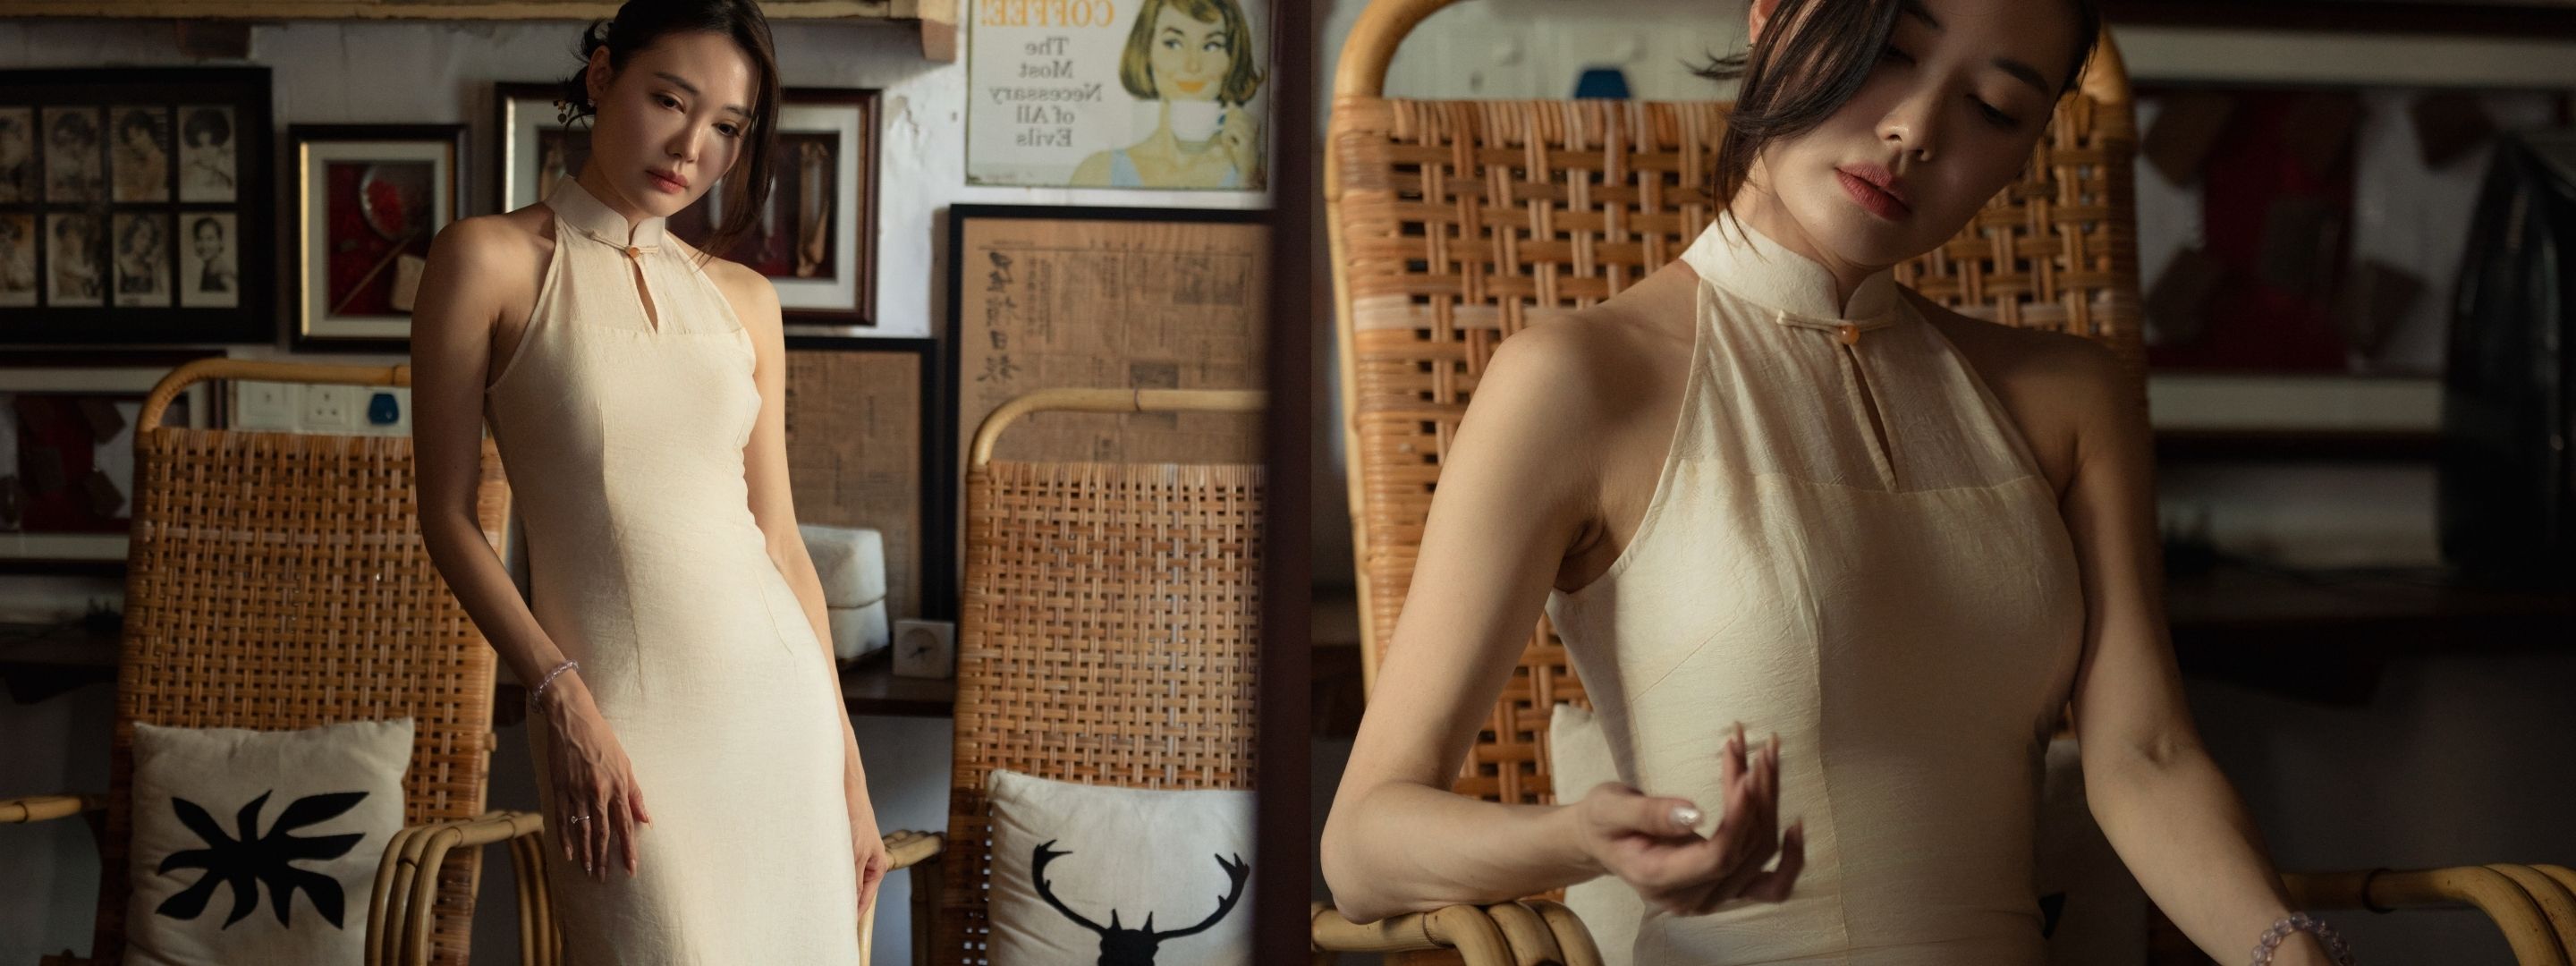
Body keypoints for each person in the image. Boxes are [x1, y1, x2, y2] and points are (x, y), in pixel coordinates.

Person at [1318, 1, 2351, 963]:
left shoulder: (2071, 400)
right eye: (1891, 51)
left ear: (2025, 154)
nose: (1915, 130)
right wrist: (1580, 840)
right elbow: (1362, 846)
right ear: (1773, 15)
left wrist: (2286, 948)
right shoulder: (1579, 381)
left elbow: (2148, 758)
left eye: (1994, 108)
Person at [408, 1, 888, 960]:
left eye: (727, 127)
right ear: (602, 79)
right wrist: (559, 695)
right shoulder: (488, 261)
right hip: (617, 718)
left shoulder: (746, 300)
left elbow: (780, 542)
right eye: (670, 101)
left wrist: (849, 771)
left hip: (782, 716)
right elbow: (447, 517)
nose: (691, 148)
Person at [1070, 0, 1264, 189]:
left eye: (1211, 46)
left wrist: (1249, 178)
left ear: (1232, 57)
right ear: (1146, 50)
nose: (1193, 65)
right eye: (1173, 44)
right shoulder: (1098, 172)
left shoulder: (1254, 169)